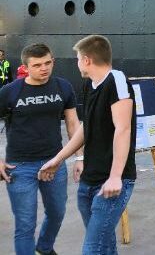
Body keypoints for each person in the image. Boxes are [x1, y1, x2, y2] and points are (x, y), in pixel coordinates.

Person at [39, 35, 136, 255]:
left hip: (112, 182)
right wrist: (58, 159)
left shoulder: (117, 81)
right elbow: (86, 128)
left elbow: (123, 129)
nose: (76, 63)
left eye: (77, 58)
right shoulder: (89, 85)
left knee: (92, 249)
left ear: (87, 60)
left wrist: (115, 177)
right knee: (104, 244)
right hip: (89, 180)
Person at [0, 43, 81, 255]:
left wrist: (80, 158)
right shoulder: (9, 92)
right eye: (37, 65)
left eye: (48, 63)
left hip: (54, 163)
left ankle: (44, 248)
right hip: (19, 166)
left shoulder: (63, 87)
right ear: (25, 67)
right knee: (25, 224)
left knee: (57, 213)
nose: (44, 68)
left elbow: (73, 124)